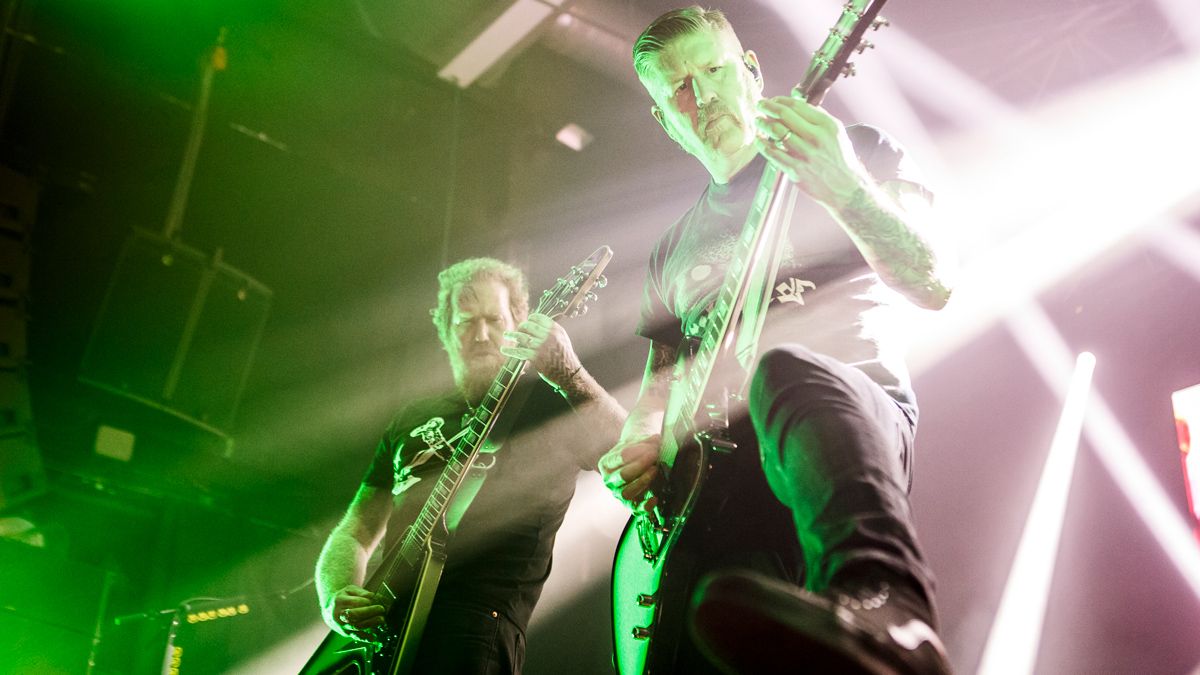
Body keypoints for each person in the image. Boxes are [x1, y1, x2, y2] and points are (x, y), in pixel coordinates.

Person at [598, 6, 955, 674]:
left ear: (751, 72)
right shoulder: (671, 249)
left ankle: (890, 609)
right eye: (678, 87)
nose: (701, 96)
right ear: (661, 117)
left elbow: (933, 280)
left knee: (784, 369)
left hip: (837, 425)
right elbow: (662, 377)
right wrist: (641, 438)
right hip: (710, 490)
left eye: (712, 70)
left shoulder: (856, 147)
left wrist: (846, 188)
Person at [313, 257, 625, 674]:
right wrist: (337, 595)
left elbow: (628, 451)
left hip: (476, 632)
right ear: (445, 330)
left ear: (519, 323)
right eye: (465, 321)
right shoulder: (411, 417)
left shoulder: (549, 405)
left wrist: (567, 372)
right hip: (382, 639)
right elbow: (355, 530)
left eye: (494, 319)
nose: (480, 334)